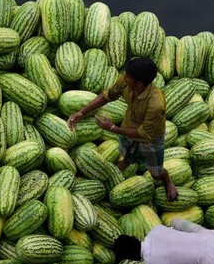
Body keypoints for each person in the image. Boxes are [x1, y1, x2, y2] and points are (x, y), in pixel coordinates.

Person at [67, 57, 178, 200]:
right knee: (127, 153)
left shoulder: (156, 104)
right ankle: (127, 161)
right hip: (128, 126)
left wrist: (112, 128)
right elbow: (107, 96)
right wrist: (82, 112)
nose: (123, 76)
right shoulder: (125, 81)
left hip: (150, 138)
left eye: (127, 76)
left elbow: (143, 134)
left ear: (139, 83)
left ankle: (167, 180)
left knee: (156, 174)